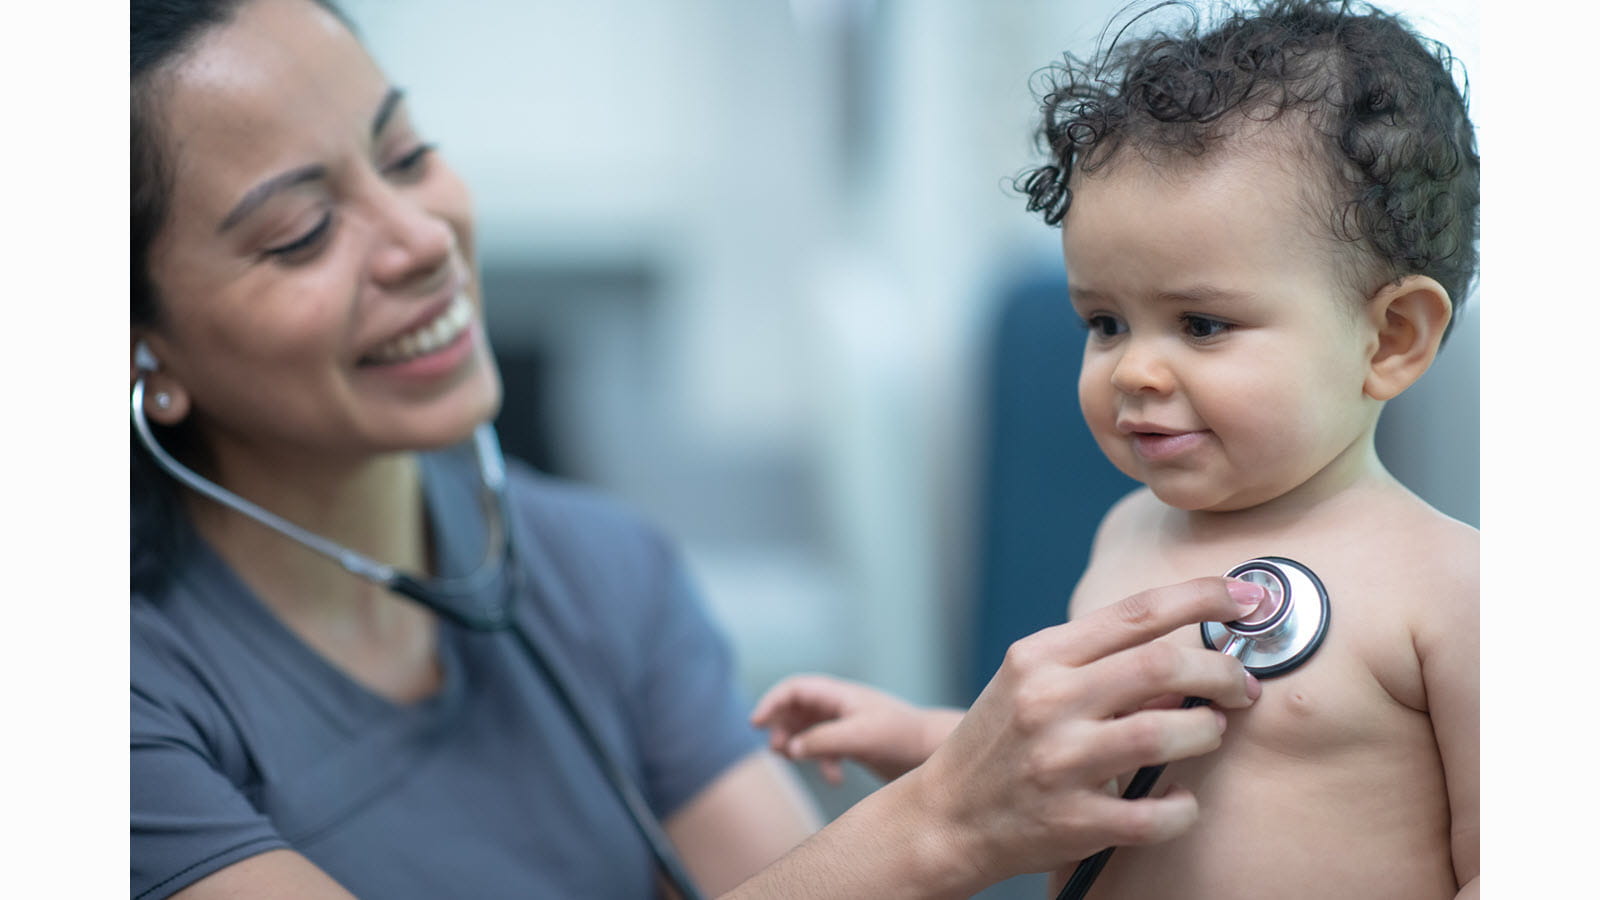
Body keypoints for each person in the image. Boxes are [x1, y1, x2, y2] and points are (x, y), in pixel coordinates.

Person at [128, 0, 1273, 897]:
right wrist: (943, 821)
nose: (419, 239)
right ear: (140, 351)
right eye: (301, 231)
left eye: (408, 152)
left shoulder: (598, 567)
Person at [754, 1, 1479, 898]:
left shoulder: (1454, 590)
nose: (1134, 369)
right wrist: (921, 738)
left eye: (1202, 324)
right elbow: (1084, 758)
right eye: (1103, 322)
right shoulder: (1129, 534)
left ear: (1391, 338)